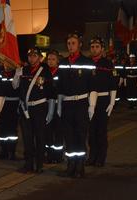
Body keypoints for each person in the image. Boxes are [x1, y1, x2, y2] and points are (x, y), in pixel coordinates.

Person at [56, 32, 96, 178]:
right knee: (69, 137)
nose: (70, 46)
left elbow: (92, 86)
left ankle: (80, 166)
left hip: (81, 104)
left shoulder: (88, 62)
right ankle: (70, 165)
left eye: (73, 43)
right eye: (68, 43)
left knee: (80, 136)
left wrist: (91, 106)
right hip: (67, 104)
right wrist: (59, 105)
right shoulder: (63, 63)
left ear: (79, 44)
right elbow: (59, 87)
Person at [13, 47, 54, 173]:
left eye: (34, 55)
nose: (32, 58)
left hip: (40, 107)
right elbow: (15, 86)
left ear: (40, 57)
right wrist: (17, 75)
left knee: (40, 137)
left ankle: (40, 164)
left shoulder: (45, 70)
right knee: (27, 138)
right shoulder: (23, 70)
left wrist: (51, 110)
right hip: (26, 108)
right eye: (30, 55)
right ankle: (29, 163)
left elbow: (50, 90)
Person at [87, 36, 117, 167]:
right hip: (88, 100)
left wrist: (112, 102)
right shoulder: (86, 62)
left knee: (101, 130)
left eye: (97, 47)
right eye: (92, 47)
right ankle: (92, 156)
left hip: (103, 99)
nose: (94, 49)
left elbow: (113, 83)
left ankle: (101, 157)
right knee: (91, 130)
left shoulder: (107, 63)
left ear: (102, 48)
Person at [0, 64, 20, 160]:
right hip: (2, 103)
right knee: (2, 128)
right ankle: (4, 150)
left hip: (14, 103)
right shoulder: (0, 74)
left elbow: (17, 88)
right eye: (4, 63)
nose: (6, 65)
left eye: (8, 63)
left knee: (12, 129)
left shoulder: (17, 74)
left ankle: (12, 151)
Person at [45, 49, 64, 163]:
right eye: (48, 59)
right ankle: (49, 155)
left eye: (53, 59)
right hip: (46, 105)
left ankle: (58, 156)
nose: (50, 61)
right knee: (47, 131)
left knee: (58, 131)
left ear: (57, 61)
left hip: (58, 105)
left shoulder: (61, 72)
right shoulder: (44, 72)